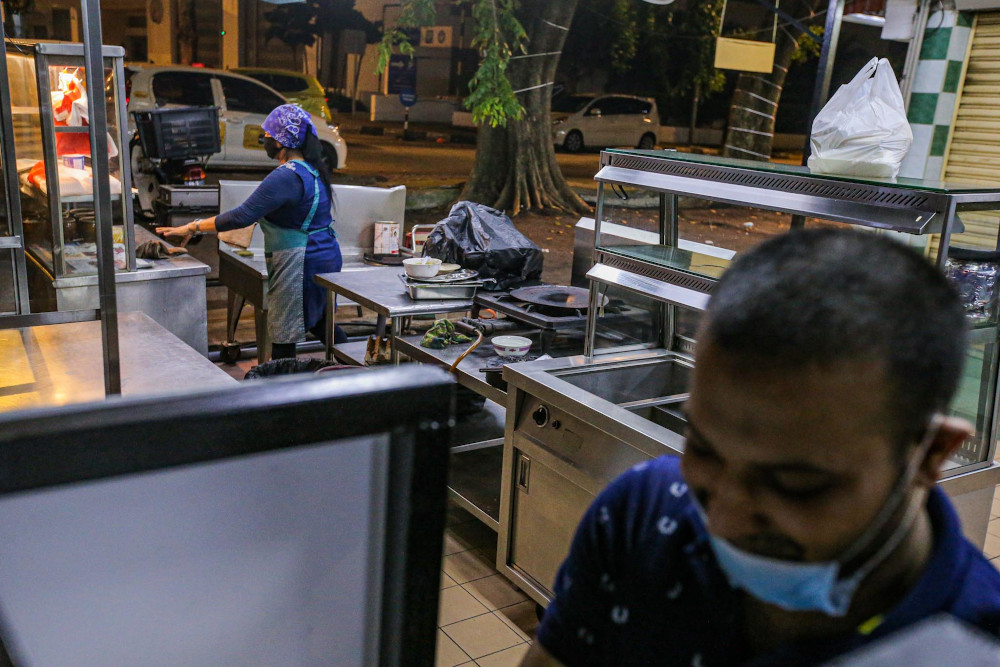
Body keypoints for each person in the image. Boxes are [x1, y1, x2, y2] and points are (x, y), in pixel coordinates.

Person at [522, 229, 1000, 666]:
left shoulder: (972, 647)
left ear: (931, 454)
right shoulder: (643, 514)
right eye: (705, 449)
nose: (723, 522)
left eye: (795, 483)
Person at [157, 104, 343, 359]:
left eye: (267, 136)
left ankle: (281, 384)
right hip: (323, 254)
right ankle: (362, 369)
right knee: (321, 321)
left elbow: (242, 215)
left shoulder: (287, 176)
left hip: (301, 261)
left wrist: (193, 226)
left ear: (281, 141)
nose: (264, 140)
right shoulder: (311, 170)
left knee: (285, 329)